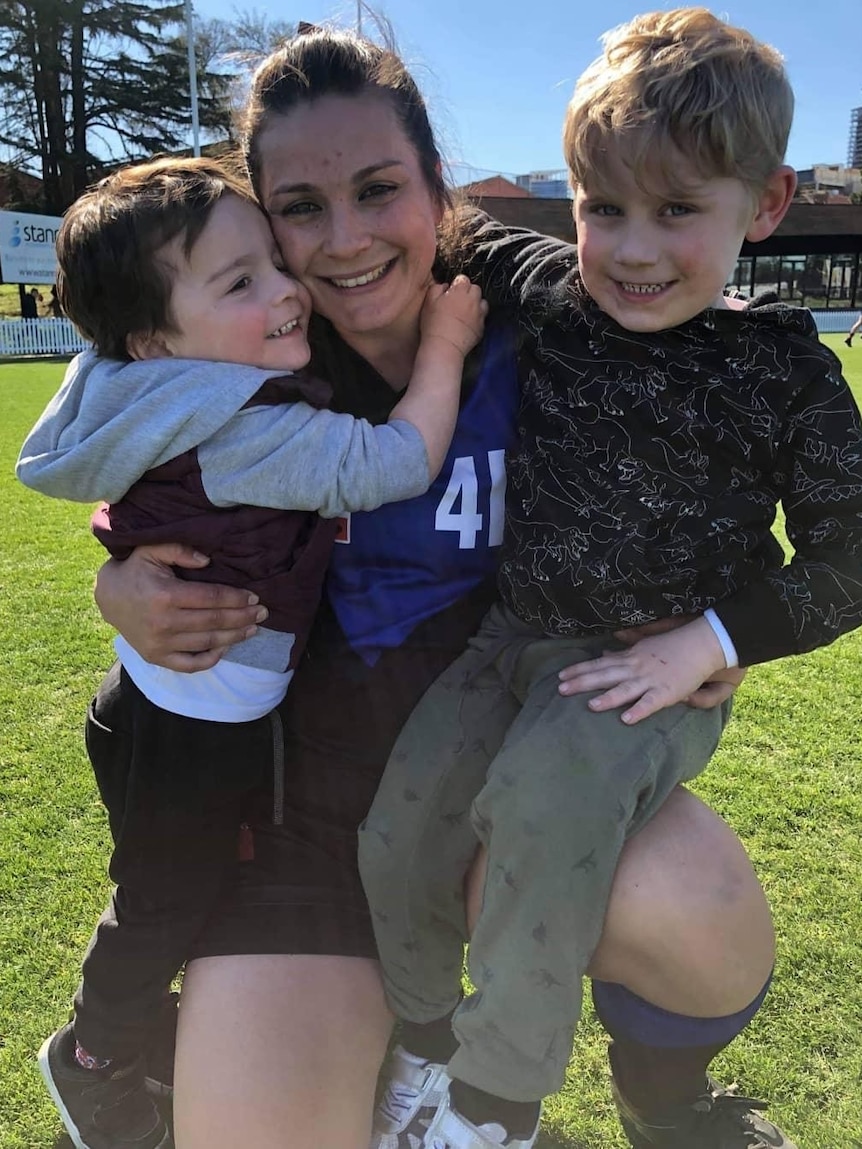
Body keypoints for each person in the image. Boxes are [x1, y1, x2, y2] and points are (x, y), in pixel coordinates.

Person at [77, 25, 790, 1149]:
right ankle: (329, 1073)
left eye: (378, 190)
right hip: (298, 836)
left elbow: (723, 459)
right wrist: (120, 584)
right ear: (261, 219)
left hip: (495, 794)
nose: (347, 240)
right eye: (301, 208)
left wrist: (716, 630)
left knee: (692, 909)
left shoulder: (564, 331)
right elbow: (123, 465)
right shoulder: (243, 364)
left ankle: (669, 1109)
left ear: (436, 189)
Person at [357, 8, 862, 1149]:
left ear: (766, 205)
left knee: (541, 811)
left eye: (678, 210)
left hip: (649, 669)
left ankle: (494, 1106)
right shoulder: (547, 293)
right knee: (401, 823)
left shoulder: (781, 369)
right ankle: (423, 1050)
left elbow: (852, 552)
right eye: (604, 208)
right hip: (511, 636)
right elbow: (413, 207)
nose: (631, 249)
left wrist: (713, 644)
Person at [16, 154, 485, 1149]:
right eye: (241, 283)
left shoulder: (150, 382)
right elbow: (397, 459)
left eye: (274, 262)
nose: (285, 292)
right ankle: (96, 1060)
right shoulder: (241, 426)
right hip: (190, 729)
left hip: (165, 708)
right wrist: (444, 346)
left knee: (180, 890)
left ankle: (161, 1039)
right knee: (164, 903)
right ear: (153, 341)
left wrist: (115, 571)